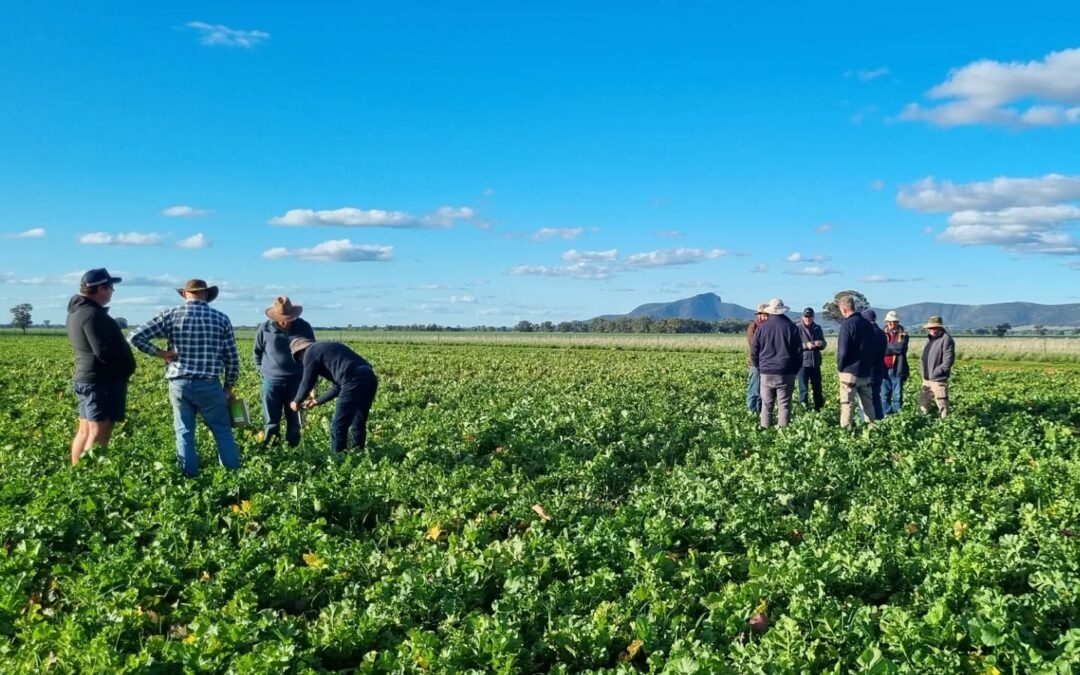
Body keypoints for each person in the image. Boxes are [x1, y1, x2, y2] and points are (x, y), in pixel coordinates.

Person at [129, 279, 241, 476]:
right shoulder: (221, 318)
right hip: (209, 383)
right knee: (222, 431)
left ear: (184, 294)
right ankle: (232, 476)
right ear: (207, 294)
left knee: (184, 432)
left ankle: (189, 477)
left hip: (179, 382)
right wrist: (228, 386)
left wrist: (161, 353)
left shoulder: (170, 315)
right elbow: (231, 357)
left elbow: (135, 336)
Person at [65, 268, 136, 465]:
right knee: (98, 434)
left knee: (84, 431)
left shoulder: (77, 312)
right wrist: (124, 368)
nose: (112, 292)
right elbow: (103, 351)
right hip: (101, 382)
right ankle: (92, 476)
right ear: (101, 289)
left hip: (87, 378)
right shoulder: (93, 314)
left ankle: (77, 472)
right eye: (111, 287)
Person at [289, 338, 379, 453]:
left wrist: (296, 401)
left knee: (339, 425)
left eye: (299, 359)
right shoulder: (325, 349)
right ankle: (358, 453)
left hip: (352, 381)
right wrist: (316, 401)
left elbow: (307, 382)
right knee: (358, 422)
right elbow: (337, 387)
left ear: (299, 353)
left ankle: (339, 458)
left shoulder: (310, 352)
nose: (303, 362)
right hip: (369, 377)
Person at [253, 297, 315, 447]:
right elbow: (257, 352)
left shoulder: (304, 327)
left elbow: (313, 353)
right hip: (271, 382)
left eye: (288, 319)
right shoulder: (265, 328)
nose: (285, 322)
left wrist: (311, 381)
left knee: (294, 420)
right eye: (281, 319)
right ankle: (271, 450)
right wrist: (263, 370)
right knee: (271, 421)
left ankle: (293, 450)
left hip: (296, 381)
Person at [750, 298, 802, 428]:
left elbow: (754, 350)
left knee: (766, 405)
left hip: (766, 371)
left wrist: (758, 366)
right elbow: (799, 352)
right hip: (786, 371)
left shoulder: (761, 328)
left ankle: (765, 431)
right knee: (784, 405)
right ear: (782, 310)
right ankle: (782, 434)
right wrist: (795, 370)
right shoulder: (791, 327)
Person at [836, 295, 876, 428]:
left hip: (850, 372)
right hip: (865, 371)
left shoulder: (847, 325)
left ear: (843, 309)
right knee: (868, 404)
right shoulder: (867, 324)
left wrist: (840, 367)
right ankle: (871, 430)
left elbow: (843, 351)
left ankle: (846, 432)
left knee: (847, 404)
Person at [919, 316, 955, 419]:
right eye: (930, 328)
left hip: (938, 379)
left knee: (942, 403)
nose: (932, 330)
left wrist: (937, 372)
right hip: (926, 379)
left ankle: (945, 423)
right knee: (923, 402)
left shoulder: (946, 339)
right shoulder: (929, 339)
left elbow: (948, 361)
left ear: (940, 328)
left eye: (935, 327)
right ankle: (923, 421)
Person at [796, 307, 827, 411]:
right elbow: (794, 346)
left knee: (817, 388)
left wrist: (821, 343)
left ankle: (819, 409)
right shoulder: (797, 328)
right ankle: (804, 410)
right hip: (802, 364)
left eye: (810, 316)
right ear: (802, 317)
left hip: (815, 363)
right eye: (806, 316)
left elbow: (824, 344)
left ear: (813, 317)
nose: (808, 318)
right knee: (803, 389)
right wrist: (806, 345)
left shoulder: (818, 328)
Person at [881, 311, 910, 415]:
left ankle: (897, 416)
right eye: (888, 321)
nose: (889, 323)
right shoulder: (882, 333)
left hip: (897, 368)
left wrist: (887, 347)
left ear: (897, 322)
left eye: (892, 321)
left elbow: (900, 348)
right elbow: (880, 348)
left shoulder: (903, 334)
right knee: (884, 395)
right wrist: (892, 348)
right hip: (884, 368)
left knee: (897, 396)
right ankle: (888, 414)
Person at [862, 309, 888, 420]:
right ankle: (879, 420)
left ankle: (868, 422)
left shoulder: (868, 333)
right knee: (876, 397)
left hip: (868, 371)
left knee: (866, 400)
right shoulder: (882, 333)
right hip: (879, 369)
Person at [745, 303, 768, 414]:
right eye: (764, 315)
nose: (766, 317)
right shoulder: (753, 327)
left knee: (762, 391)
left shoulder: (766, 327)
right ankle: (751, 412)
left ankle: (759, 412)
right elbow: (754, 345)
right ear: (759, 315)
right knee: (754, 390)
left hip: (765, 362)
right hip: (756, 362)